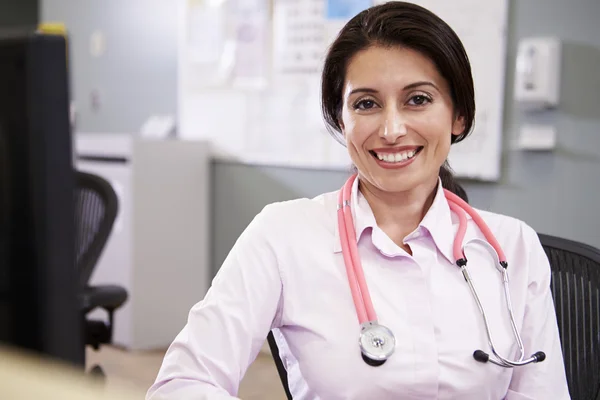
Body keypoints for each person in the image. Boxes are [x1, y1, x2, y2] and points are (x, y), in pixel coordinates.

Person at [147, 2, 570, 399]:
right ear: (340, 120)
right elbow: (184, 383)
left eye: (418, 99)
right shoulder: (282, 236)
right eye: (366, 103)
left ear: (458, 115)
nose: (391, 129)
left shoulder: (513, 247)